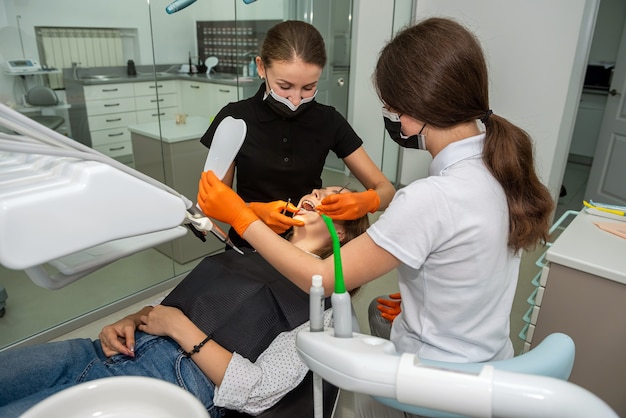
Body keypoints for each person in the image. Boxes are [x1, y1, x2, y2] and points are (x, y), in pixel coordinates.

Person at [196, 16, 555, 416]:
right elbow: (476, 261)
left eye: (389, 105)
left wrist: (245, 218)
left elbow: (324, 279)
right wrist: (433, 298)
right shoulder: (498, 167)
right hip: (488, 361)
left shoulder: (431, 197)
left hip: (438, 386)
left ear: (412, 108)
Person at [0, 186, 370, 418]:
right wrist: (131, 318)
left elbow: (258, 391)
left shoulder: (320, 309)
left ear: (340, 231)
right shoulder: (246, 252)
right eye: (319, 189)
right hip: (103, 351)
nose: (317, 193)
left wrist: (177, 327)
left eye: (331, 198)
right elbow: (174, 303)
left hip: (171, 379)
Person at [200, 20, 395, 249]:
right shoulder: (234, 118)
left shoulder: (328, 120)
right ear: (261, 68)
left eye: (308, 88)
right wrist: (253, 212)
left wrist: (367, 201)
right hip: (248, 245)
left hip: (307, 250)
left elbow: (386, 190)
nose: (295, 100)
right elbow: (209, 200)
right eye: (285, 86)